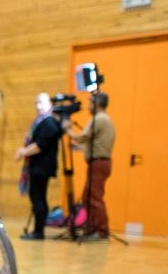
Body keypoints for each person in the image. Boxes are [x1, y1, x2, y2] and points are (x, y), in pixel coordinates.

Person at [15, 92, 65, 240]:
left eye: (41, 103)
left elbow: (40, 145)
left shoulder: (48, 123)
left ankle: (38, 231)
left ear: (50, 105)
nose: (38, 106)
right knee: (38, 197)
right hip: (38, 166)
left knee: (38, 197)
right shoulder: (42, 122)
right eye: (36, 103)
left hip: (41, 167)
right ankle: (38, 229)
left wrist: (24, 152)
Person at [68, 91, 114, 240]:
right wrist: (81, 148)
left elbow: (82, 137)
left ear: (97, 104)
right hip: (99, 162)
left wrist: (67, 129)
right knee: (87, 197)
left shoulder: (99, 119)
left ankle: (101, 231)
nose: (88, 106)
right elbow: (96, 143)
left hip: (98, 163)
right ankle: (92, 228)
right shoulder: (104, 119)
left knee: (94, 198)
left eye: (90, 103)